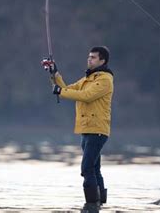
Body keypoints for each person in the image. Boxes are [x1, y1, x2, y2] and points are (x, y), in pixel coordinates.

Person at [49, 46, 114, 211]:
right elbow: (69, 89)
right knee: (94, 168)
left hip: (97, 130)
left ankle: (92, 206)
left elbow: (86, 96)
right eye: (89, 57)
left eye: (93, 57)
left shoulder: (105, 79)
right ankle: (100, 204)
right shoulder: (88, 78)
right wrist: (55, 75)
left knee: (86, 169)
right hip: (87, 129)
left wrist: (60, 91)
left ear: (102, 60)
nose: (89, 59)